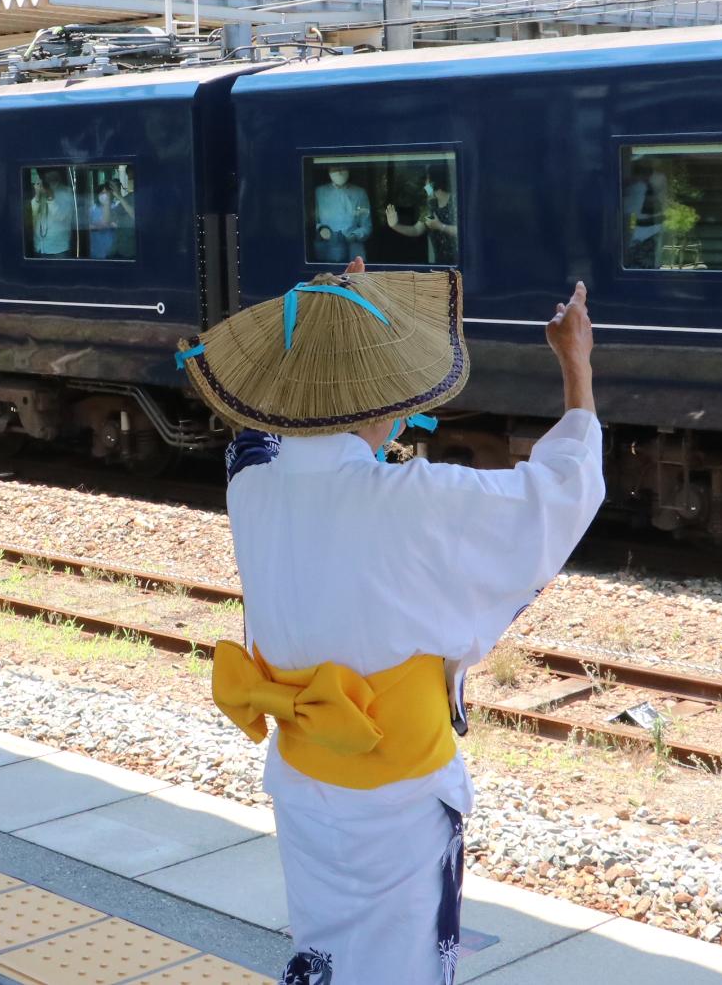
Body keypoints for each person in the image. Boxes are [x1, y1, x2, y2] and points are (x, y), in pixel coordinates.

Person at [178, 263, 603, 984]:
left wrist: (328, 314)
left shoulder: (252, 485)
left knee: (325, 950)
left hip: (303, 777)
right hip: (396, 790)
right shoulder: (410, 499)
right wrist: (577, 369)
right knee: (398, 964)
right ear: (393, 392)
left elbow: (257, 436)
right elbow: (560, 493)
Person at [385, 173, 458, 265]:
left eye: (427, 183)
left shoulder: (456, 202)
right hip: (440, 263)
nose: (425, 187)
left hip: (461, 262)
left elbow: (466, 233)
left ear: (434, 183)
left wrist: (440, 226)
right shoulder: (429, 206)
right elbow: (416, 230)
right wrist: (395, 225)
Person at [312, 164, 372, 264]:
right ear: (328, 170)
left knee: (354, 277)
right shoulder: (319, 192)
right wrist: (321, 229)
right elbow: (311, 221)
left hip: (354, 251)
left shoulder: (360, 193)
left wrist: (354, 235)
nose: (339, 172)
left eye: (343, 168)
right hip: (327, 250)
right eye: (335, 168)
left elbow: (367, 226)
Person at [622, 160, 667, 270]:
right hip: (647, 232)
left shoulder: (639, 187)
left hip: (646, 234)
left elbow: (625, 212)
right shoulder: (640, 186)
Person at [30, 168, 75, 257]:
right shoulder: (40, 190)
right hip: (39, 247)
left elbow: (61, 217)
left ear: (58, 174)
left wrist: (50, 197)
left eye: (51, 171)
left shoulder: (66, 192)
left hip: (58, 249)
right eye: (46, 172)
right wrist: (37, 196)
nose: (48, 174)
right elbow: (32, 214)